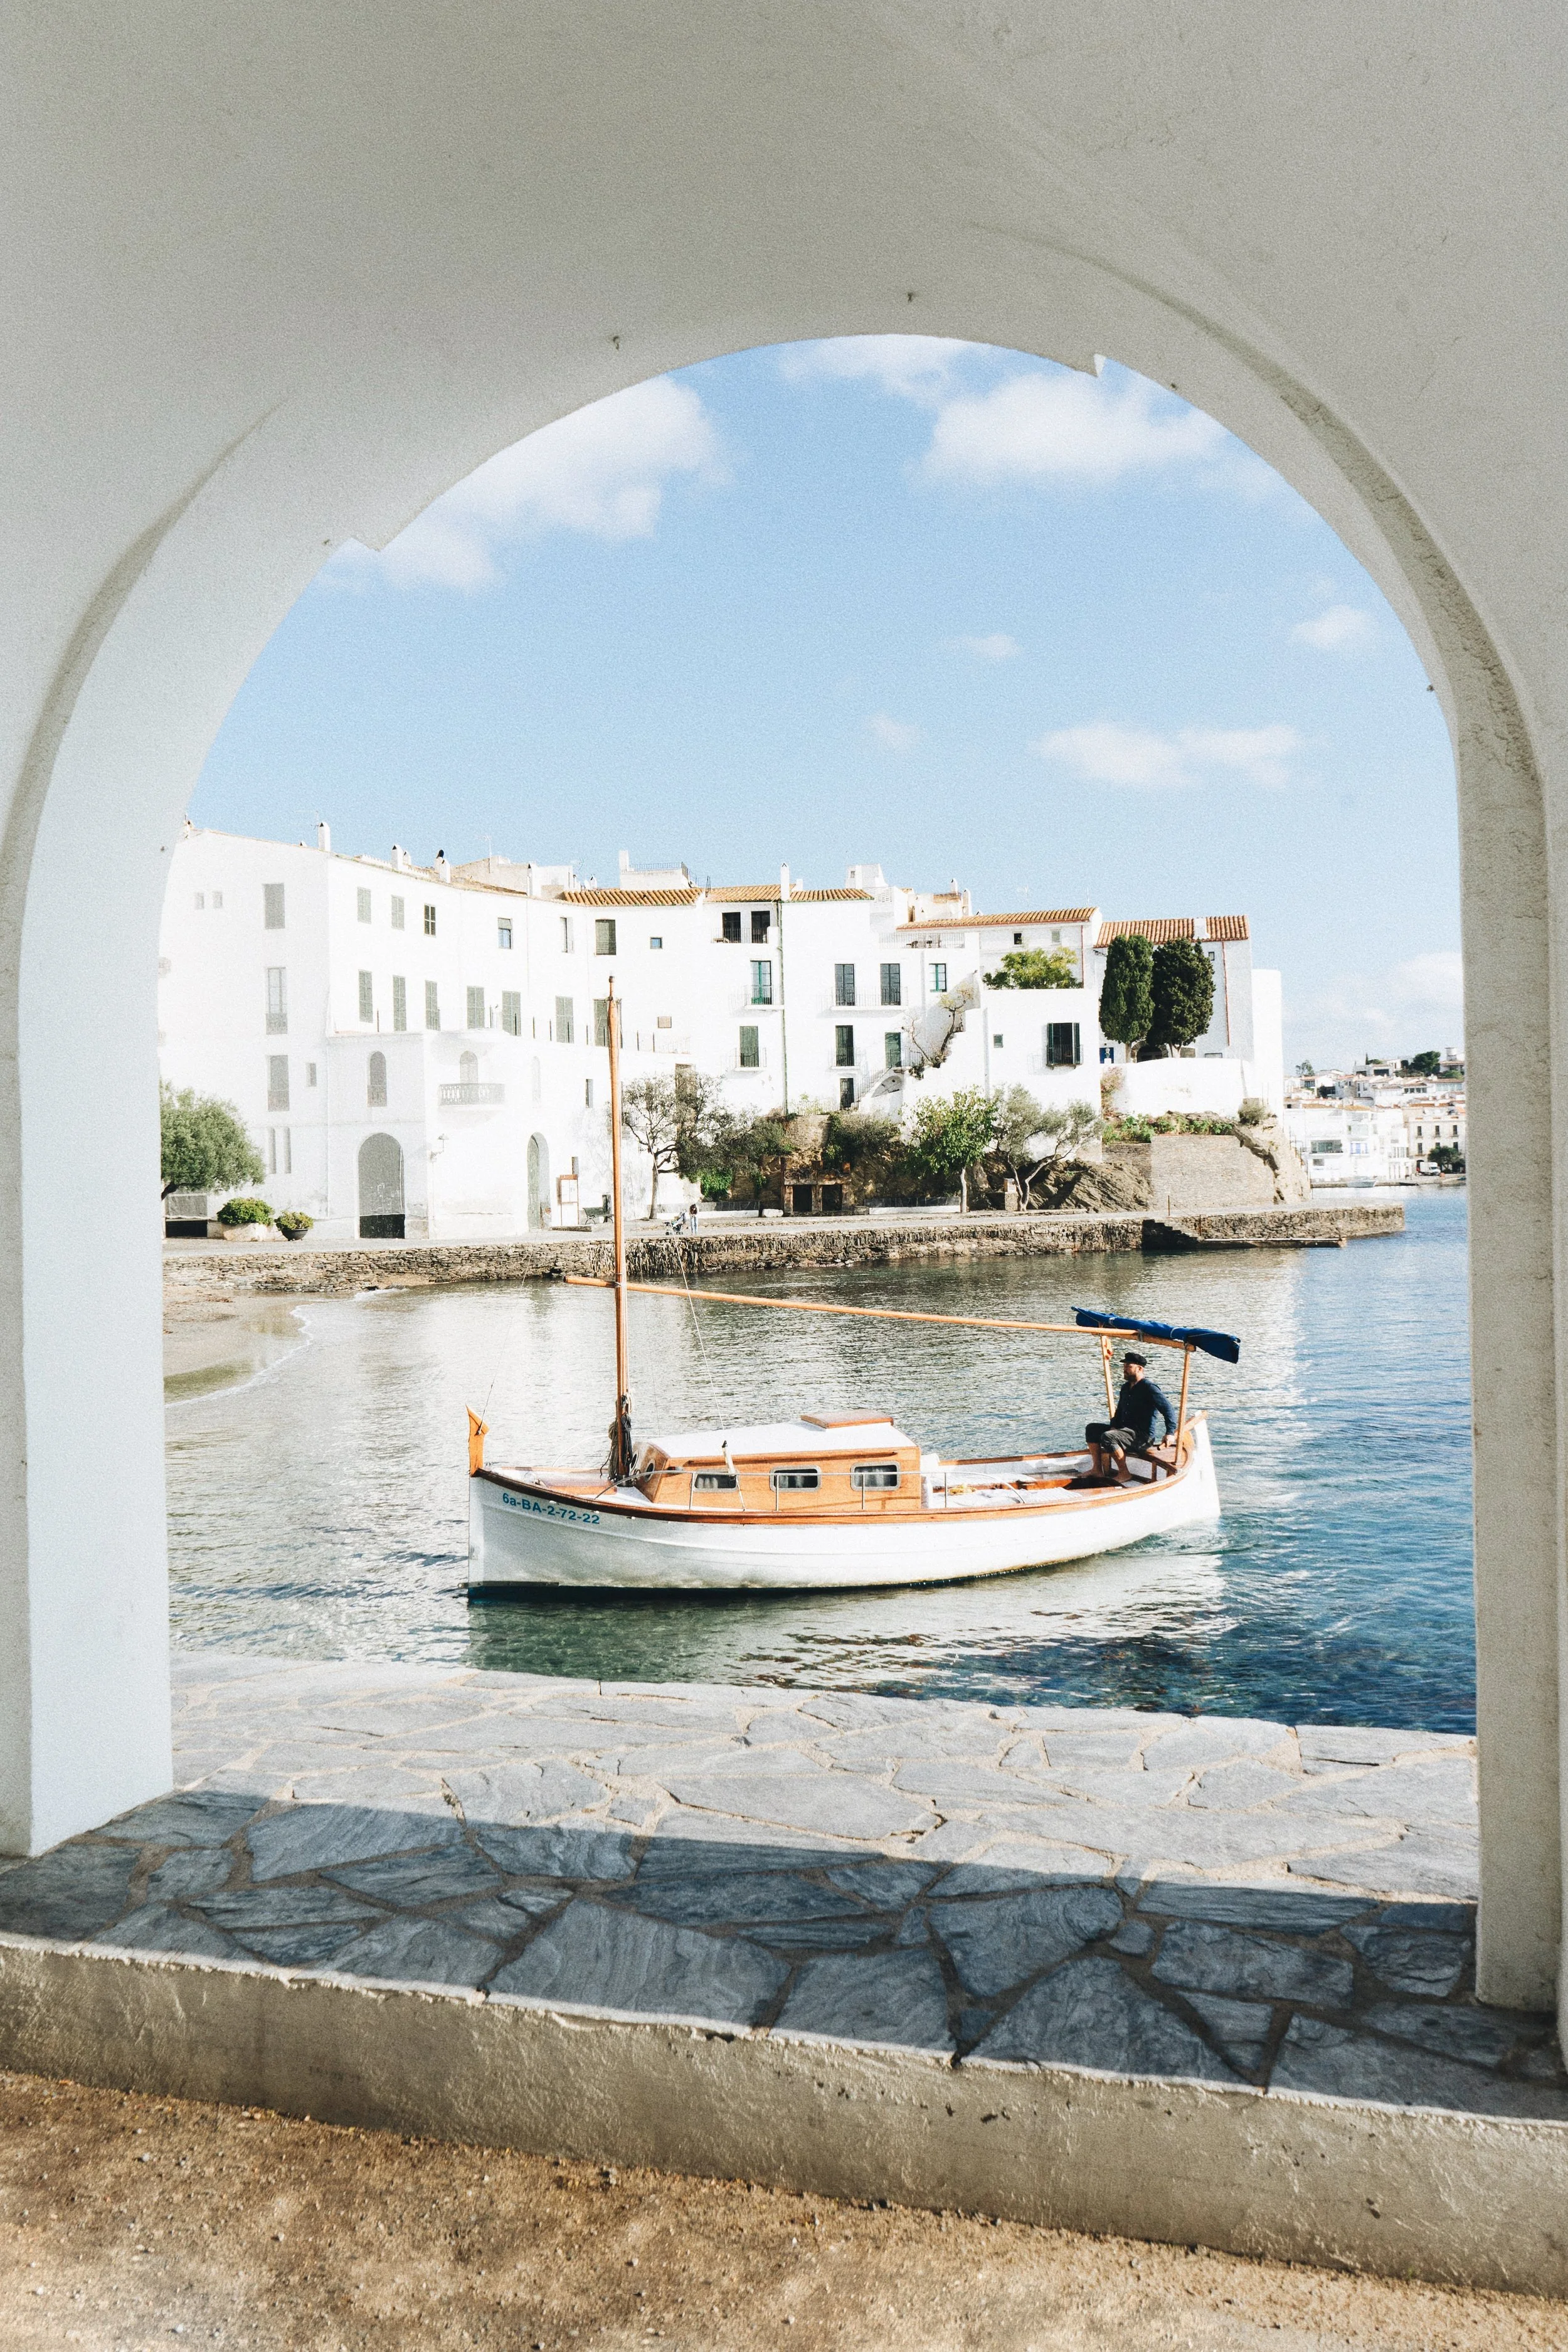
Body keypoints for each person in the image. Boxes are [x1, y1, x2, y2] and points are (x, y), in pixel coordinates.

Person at [1084, 1351, 1175, 1485]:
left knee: (1108, 1437)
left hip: (1141, 1437)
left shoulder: (1149, 1388)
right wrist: (1114, 1424)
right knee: (1092, 1429)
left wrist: (1170, 1432)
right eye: (1124, 1366)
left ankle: (1124, 1473)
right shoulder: (1125, 1387)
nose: (1124, 1370)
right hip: (1123, 1432)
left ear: (1140, 1369)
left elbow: (1168, 1410)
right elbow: (1120, 1410)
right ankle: (1097, 1469)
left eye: (1128, 1366)